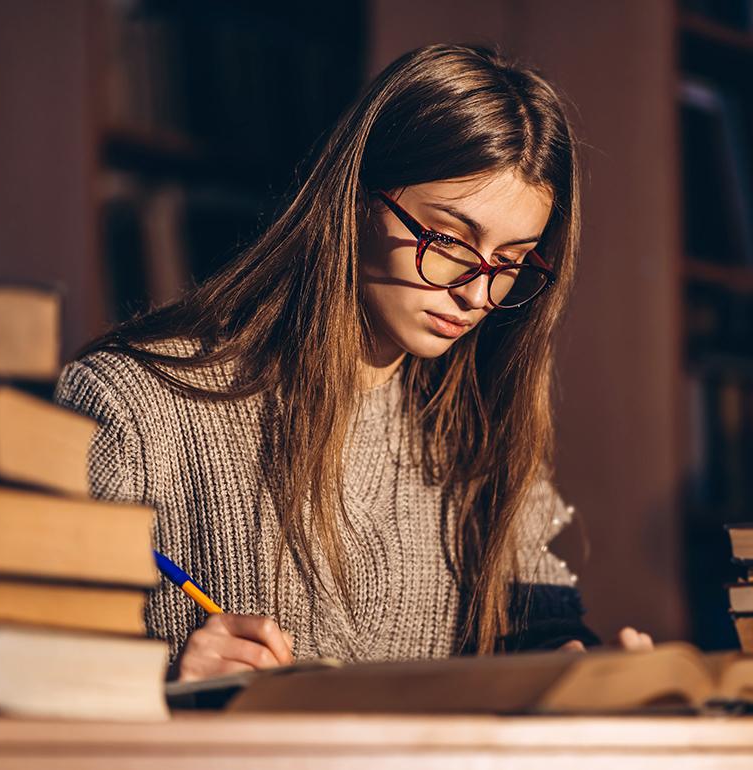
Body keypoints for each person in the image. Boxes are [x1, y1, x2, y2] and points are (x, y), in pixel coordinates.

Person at [55, 42, 653, 682]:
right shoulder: (132, 406)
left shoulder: (480, 427)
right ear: (357, 198)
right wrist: (162, 679)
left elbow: (538, 633)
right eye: (450, 240)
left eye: (509, 263)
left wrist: (579, 671)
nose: (478, 294)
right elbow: (25, 673)